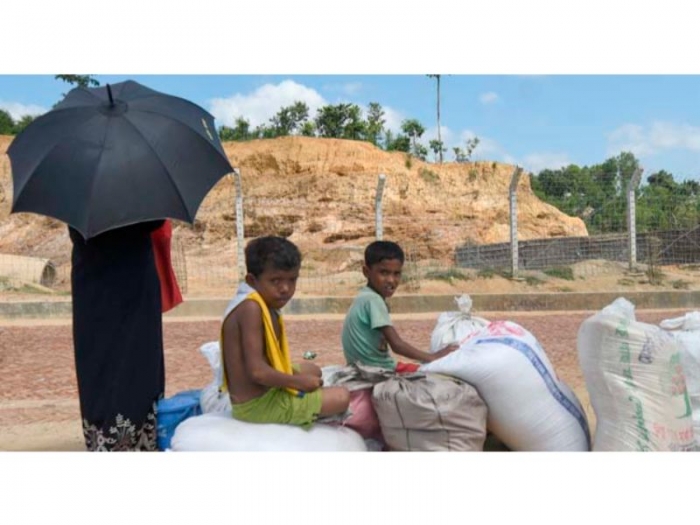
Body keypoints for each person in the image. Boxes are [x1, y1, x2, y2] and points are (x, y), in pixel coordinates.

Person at [220, 235, 350, 429]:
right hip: (256, 406)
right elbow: (257, 372)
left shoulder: (259, 301)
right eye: (275, 281)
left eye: (292, 280)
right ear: (252, 280)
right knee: (342, 396)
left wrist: (299, 378)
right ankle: (302, 413)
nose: (285, 289)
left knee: (312, 369)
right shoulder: (251, 308)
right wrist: (296, 382)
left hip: (263, 390)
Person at [69, 220, 165, 451]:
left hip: (93, 287)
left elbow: (78, 229)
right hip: (133, 283)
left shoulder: (79, 196)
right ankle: (135, 438)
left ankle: (102, 436)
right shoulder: (139, 195)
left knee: (99, 364)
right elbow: (156, 221)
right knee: (136, 363)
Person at [342, 240, 458, 373]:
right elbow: (397, 345)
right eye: (384, 273)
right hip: (378, 369)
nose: (391, 280)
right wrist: (433, 357)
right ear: (366, 272)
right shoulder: (373, 300)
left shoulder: (364, 296)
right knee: (441, 373)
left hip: (363, 366)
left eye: (396, 274)